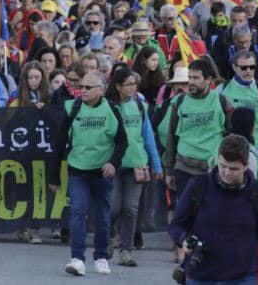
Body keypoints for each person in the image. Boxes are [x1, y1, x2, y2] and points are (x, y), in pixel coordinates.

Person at [168, 133, 258, 285]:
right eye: (222, 166)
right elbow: (176, 225)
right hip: (200, 277)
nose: (226, 172)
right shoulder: (198, 186)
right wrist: (183, 239)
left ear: (246, 165)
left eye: (233, 169)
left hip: (242, 278)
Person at [49, 71, 126, 276]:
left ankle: (101, 256)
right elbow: (59, 142)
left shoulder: (112, 109)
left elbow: (122, 141)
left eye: (87, 87)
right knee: (77, 211)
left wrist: (113, 163)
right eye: (81, 86)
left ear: (100, 90)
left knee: (101, 215)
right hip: (77, 170)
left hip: (101, 171)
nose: (82, 90)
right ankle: (77, 259)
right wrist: (53, 175)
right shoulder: (72, 107)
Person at [105, 67, 161, 267]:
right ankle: (109, 238)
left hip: (137, 163)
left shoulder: (139, 106)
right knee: (113, 207)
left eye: (134, 84)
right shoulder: (107, 107)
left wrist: (156, 164)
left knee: (131, 209)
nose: (133, 88)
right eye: (128, 84)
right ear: (118, 86)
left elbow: (148, 136)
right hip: (113, 164)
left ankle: (126, 250)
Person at [163, 56, 232, 202]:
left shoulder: (222, 102)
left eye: (196, 78)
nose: (191, 82)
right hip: (184, 168)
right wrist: (168, 171)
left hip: (212, 170)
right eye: (190, 77)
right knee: (186, 215)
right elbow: (171, 138)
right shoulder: (178, 102)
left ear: (208, 80)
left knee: (210, 214)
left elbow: (231, 136)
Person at [217, 48, 258, 182]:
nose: (248, 71)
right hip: (231, 148)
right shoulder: (222, 90)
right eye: (244, 67)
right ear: (235, 68)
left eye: (252, 67)